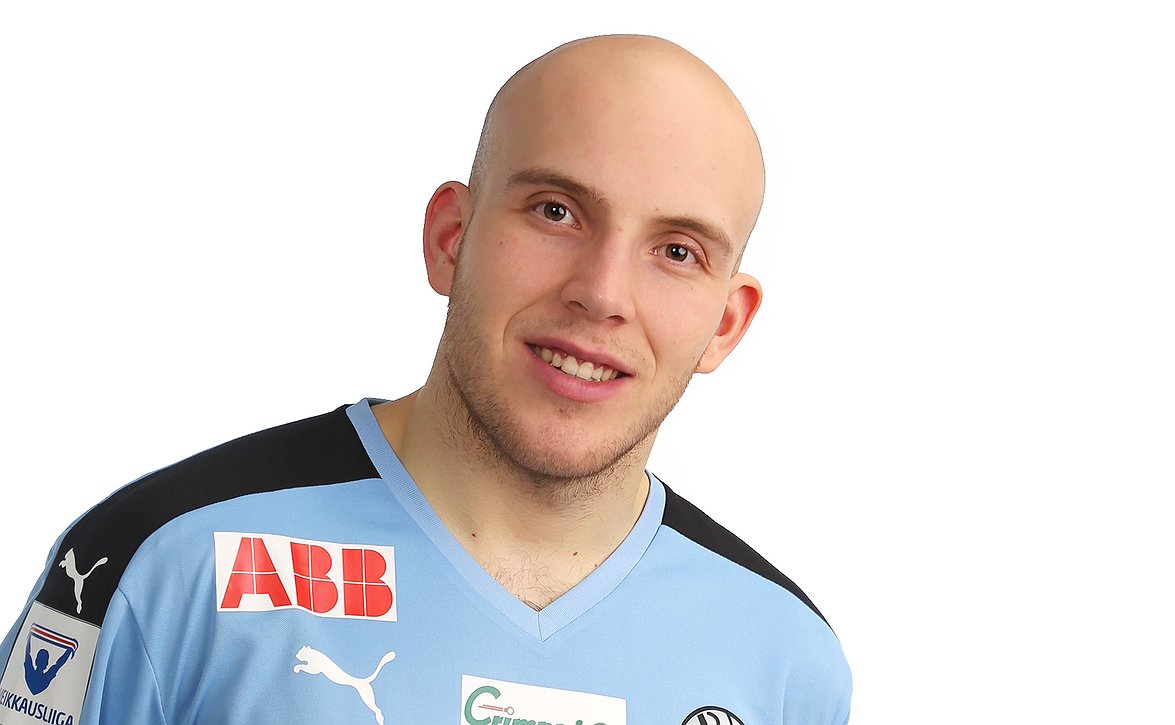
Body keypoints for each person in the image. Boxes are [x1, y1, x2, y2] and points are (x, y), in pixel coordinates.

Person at [0, 34, 851, 724]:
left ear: (726, 323)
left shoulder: (783, 656)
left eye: (676, 251)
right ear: (451, 238)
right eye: (556, 211)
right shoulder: (162, 561)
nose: (602, 293)